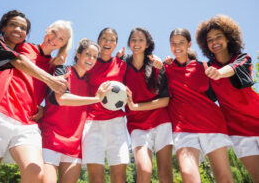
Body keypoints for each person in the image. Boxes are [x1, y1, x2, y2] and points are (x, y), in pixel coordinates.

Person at [0, 10, 67, 182]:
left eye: (61, 38)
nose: (55, 38)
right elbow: (16, 59)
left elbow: (57, 98)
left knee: (36, 173)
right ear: (46, 30)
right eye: (53, 32)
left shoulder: (56, 67)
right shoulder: (9, 44)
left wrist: (44, 109)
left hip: (12, 122)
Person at [196, 15, 259, 183]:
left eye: (218, 37)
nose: (214, 42)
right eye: (210, 39)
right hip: (237, 130)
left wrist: (218, 73)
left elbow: (234, 68)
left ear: (228, 38)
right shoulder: (207, 68)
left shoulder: (243, 58)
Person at [165, 28, 233, 183]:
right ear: (169, 46)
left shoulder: (203, 66)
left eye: (181, 42)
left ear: (189, 44)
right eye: (173, 43)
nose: (177, 46)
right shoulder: (165, 68)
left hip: (212, 124)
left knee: (224, 177)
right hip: (183, 129)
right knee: (188, 175)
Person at [40, 39, 113, 183]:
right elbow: (62, 98)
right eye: (88, 54)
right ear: (78, 54)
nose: (91, 59)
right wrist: (97, 99)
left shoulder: (90, 82)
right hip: (52, 138)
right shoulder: (62, 70)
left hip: (74, 145)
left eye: (94, 56)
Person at [125, 27, 173, 183]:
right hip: (137, 125)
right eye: (133, 39)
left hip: (161, 122)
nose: (136, 43)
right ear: (129, 43)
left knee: (165, 172)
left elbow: (165, 101)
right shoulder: (122, 65)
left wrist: (136, 106)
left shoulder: (157, 66)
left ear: (147, 44)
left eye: (141, 40)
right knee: (144, 170)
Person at [81, 28, 130, 183]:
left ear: (116, 44)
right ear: (98, 41)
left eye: (112, 39)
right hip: (92, 123)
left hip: (116, 123)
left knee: (119, 176)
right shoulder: (89, 64)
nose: (108, 42)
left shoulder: (122, 64)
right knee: (95, 177)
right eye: (104, 38)